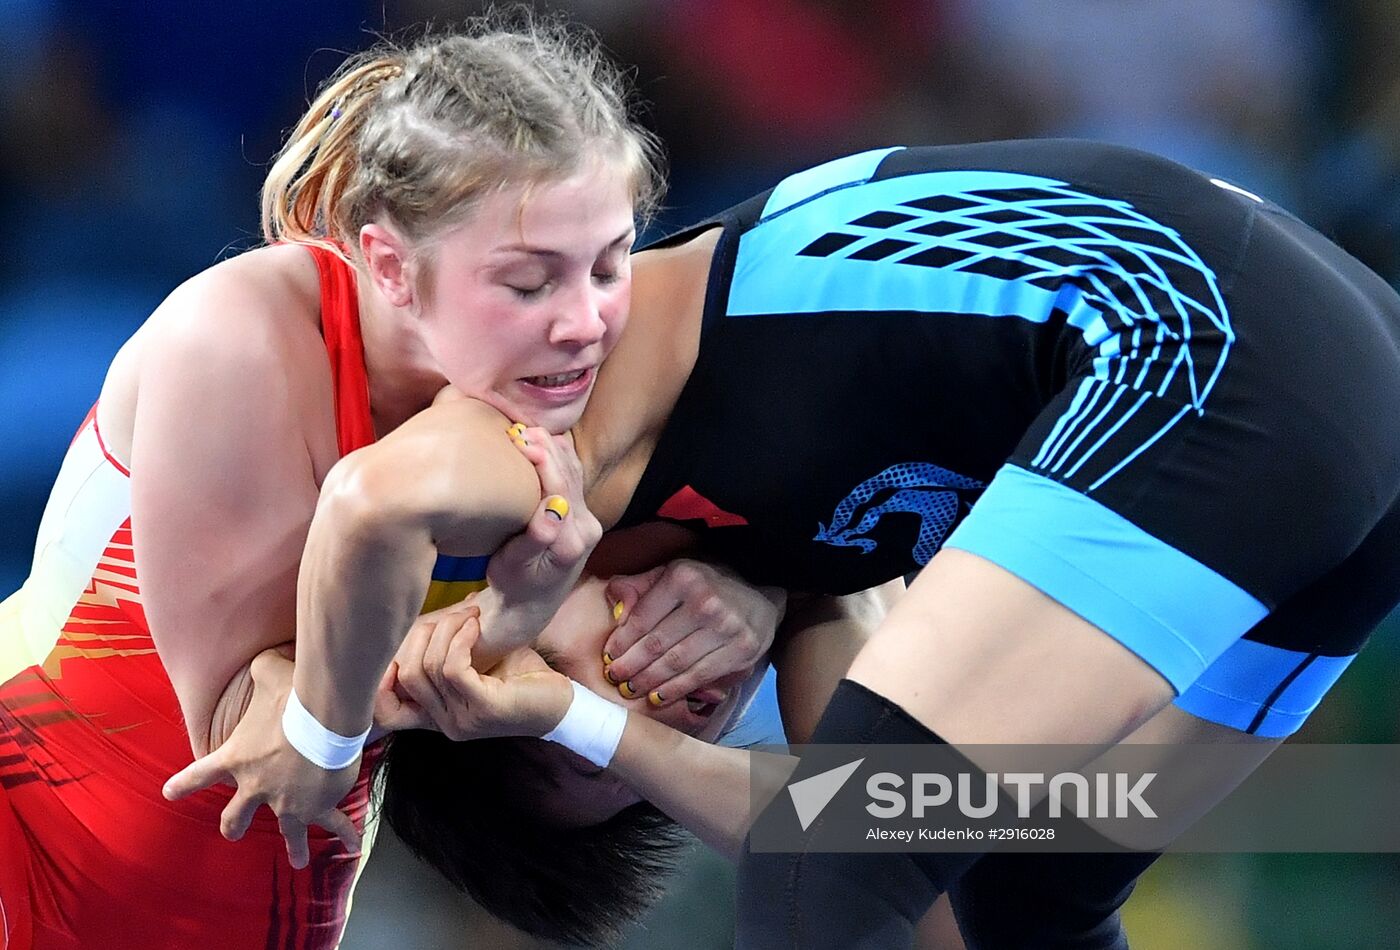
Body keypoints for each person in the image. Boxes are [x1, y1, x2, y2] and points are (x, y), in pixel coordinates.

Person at [180, 138, 1400, 947]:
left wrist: (324, 720)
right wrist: (592, 710)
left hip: (1195, 335)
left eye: (595, 682)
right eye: (673, 726)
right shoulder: (814, 600)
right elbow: (846, 819)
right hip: (1344, 419)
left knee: (825, 894)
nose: (672, 690)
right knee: (1027, 888)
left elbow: (364, 511)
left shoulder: (547, 437)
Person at [0, 17, 793, 949]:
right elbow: (915, 820)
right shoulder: (260, 341)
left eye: (581, 730)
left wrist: (751, 598)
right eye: (535, 279)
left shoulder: (589, 424)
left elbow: (925, 825)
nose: (681, 686)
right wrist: (771, 576)